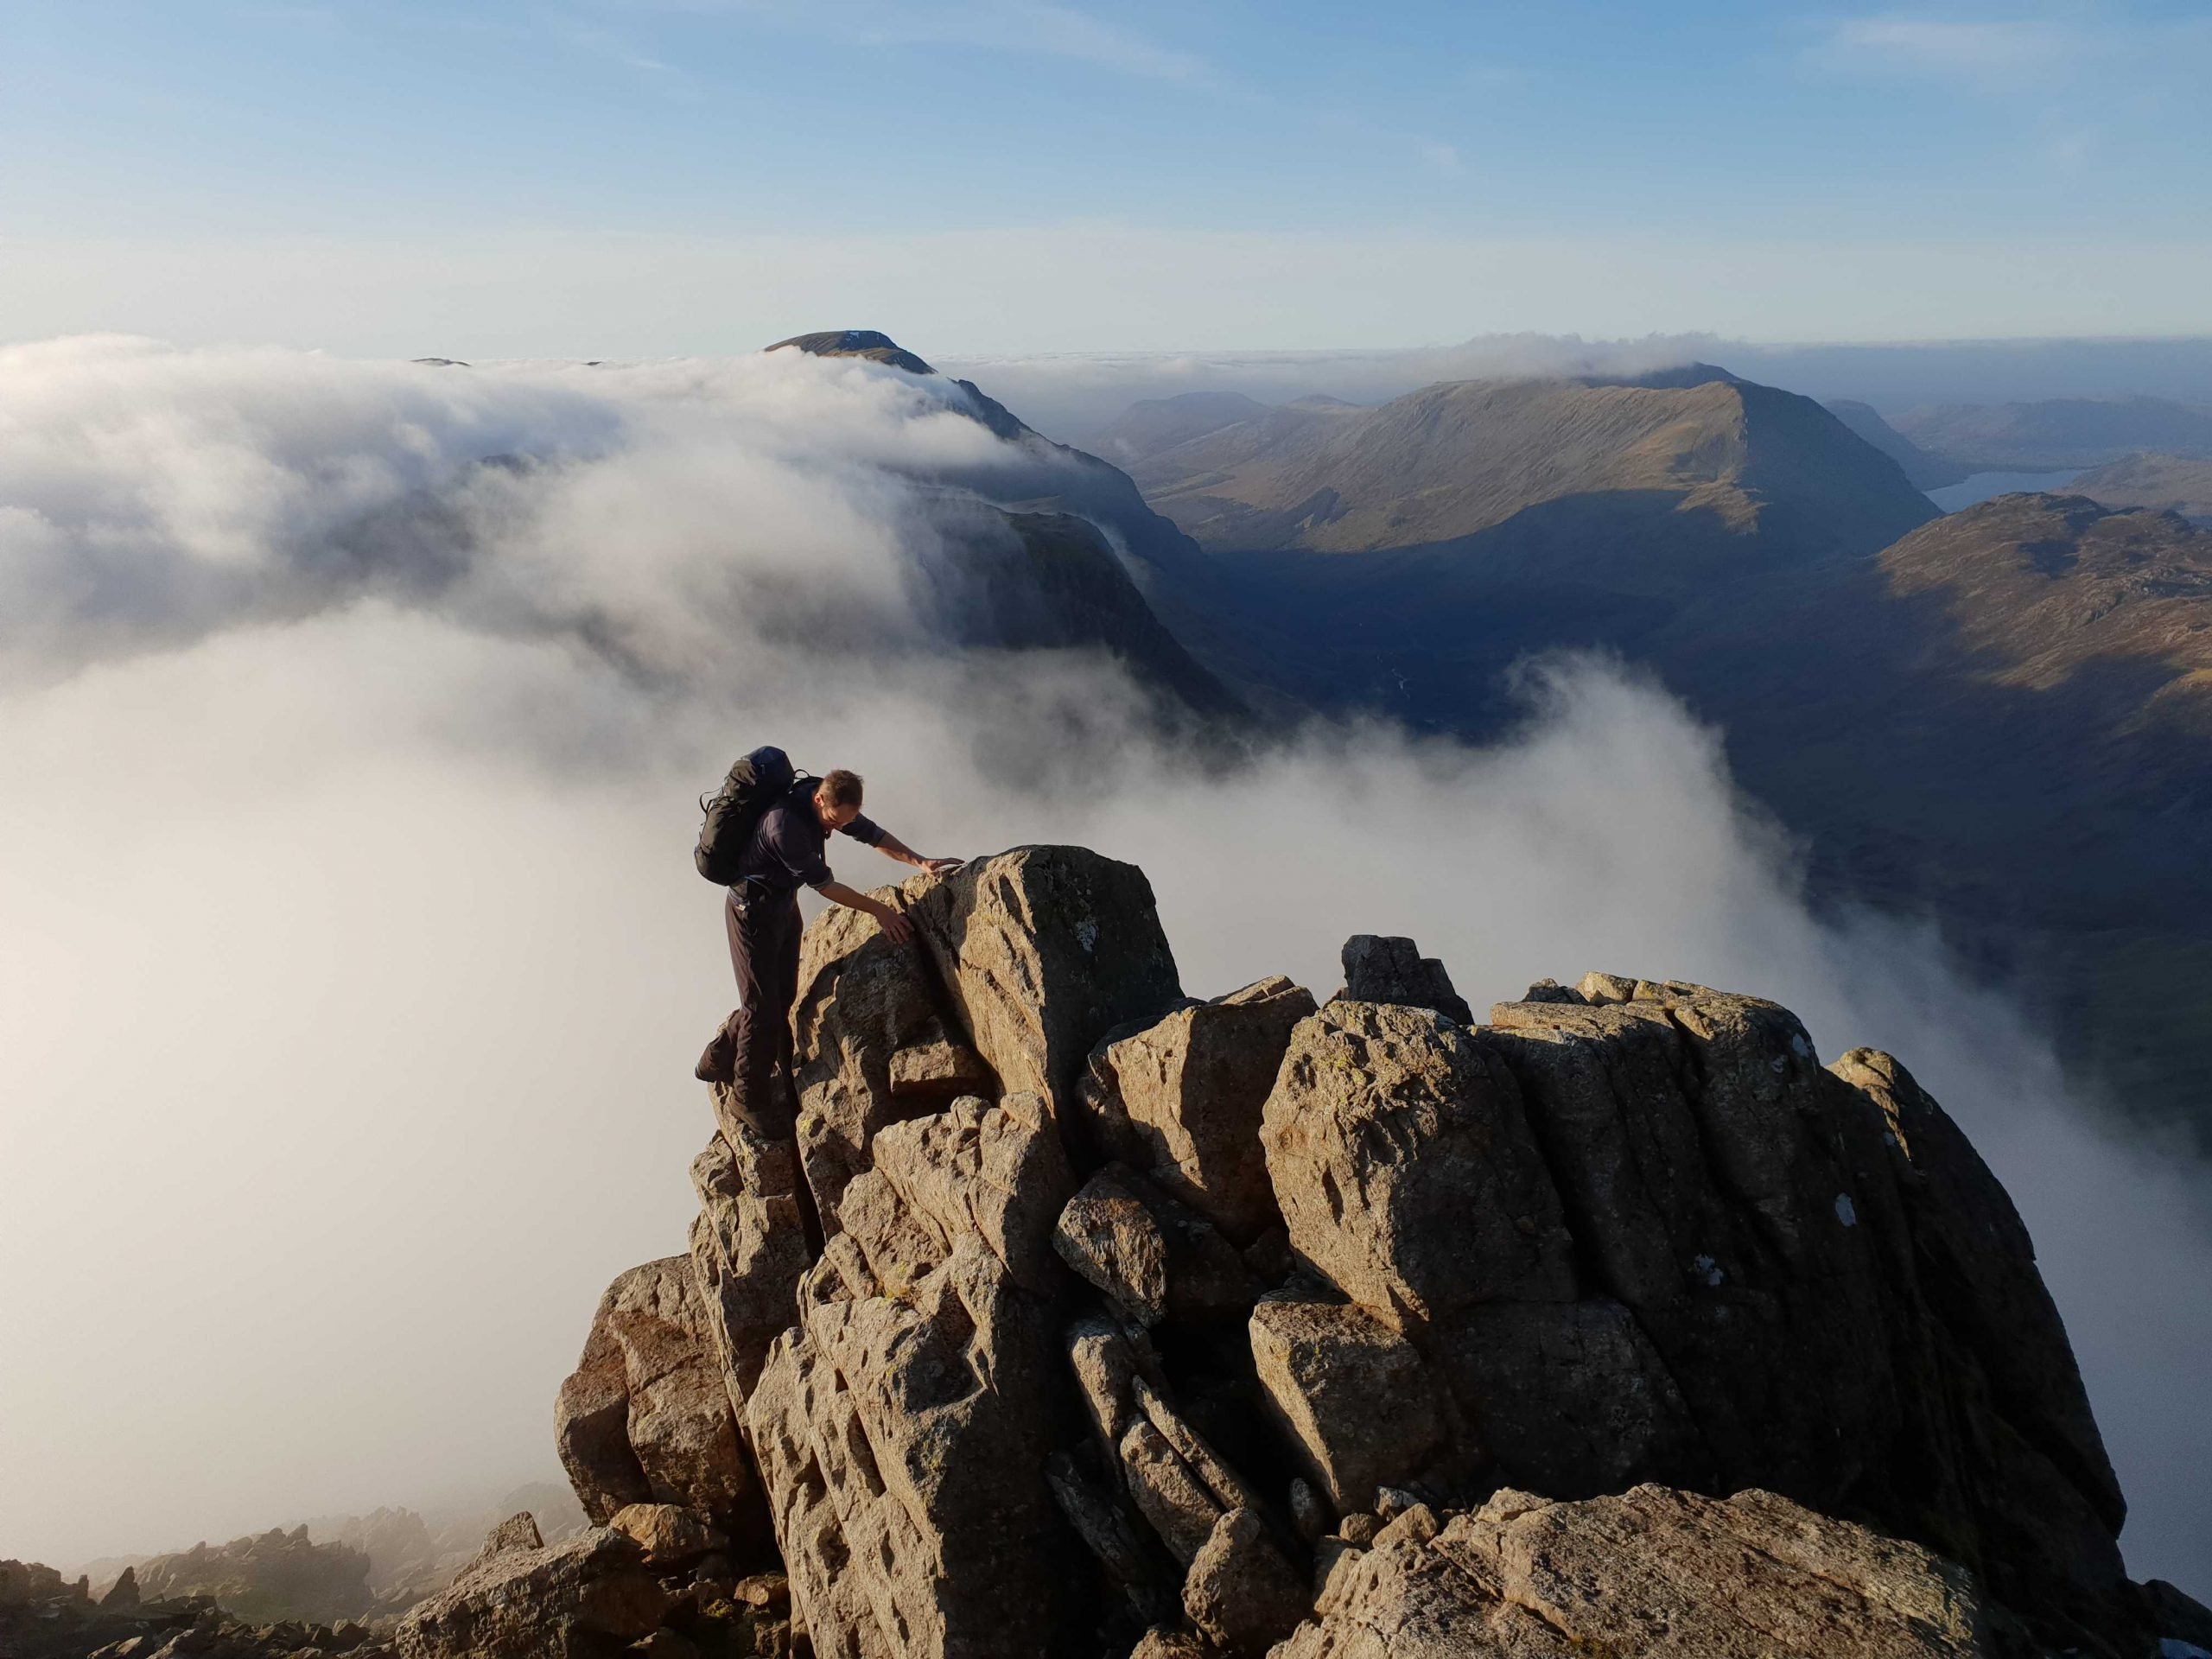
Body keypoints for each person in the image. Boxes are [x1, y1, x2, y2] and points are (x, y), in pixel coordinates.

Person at [695, 767, 962, 1134]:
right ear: (820, 799)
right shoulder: (783, 827)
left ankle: (717, 1059)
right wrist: (880, 911)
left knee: (781, 997)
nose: (837, 828)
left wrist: (920, 861)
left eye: (844, 821)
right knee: (761, 1007)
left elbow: (871, 834)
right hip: (751, 913)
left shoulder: (825, 801)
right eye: (834, 821)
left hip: (783, 906)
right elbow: (827, 887)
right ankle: (747, 1097)